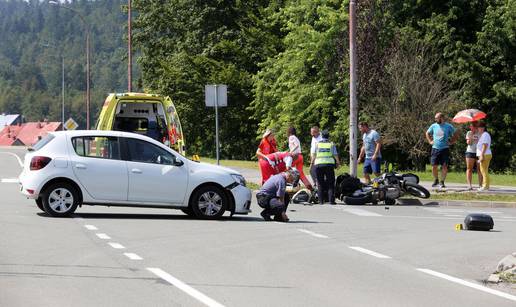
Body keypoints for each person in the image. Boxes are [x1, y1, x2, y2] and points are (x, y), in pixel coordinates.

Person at [425, 113, 459, 188]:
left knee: (444, 166)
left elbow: (456, 133)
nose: (435, 120)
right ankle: (436, 180)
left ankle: (442, 182)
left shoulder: (448, 126)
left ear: (442, 118)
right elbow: (427, 133)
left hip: (445, 149)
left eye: (437, 118)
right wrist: (430, 141)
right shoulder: (433, 126)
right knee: (434, 166)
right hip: (435, 148)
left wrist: (452, 142)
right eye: (435, 118)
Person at [311, 130, 340, 204]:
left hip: (319, 165)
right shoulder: (331, 144)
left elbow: (314, 154)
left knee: (320, 183)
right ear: (328, 136)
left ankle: (321, 201)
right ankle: (331, 201)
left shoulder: (317, 144)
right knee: (330, 183)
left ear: (321, 136)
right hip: (329, 165)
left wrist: (311, 163)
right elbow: (335, 154)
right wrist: (338, 162)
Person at [465, 122, 482, 190]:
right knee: (469, 168)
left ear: (476, 127)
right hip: (470, 152)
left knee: (479, 169)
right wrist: (471, 137)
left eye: (473, 127)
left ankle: (480, 185)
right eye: (470, 126)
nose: (471, 128)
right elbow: (469, 143)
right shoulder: (469, 133)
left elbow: (482, 143)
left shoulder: (480, 133)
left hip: (478, 152)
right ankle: (469, 185)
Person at [476, 122, 492, 191]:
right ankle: (486, 186)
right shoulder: (484, 135)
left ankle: (485, 186)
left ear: (483, 128)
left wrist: (481, 155)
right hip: (485, 154)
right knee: (484, 170)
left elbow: (485, 145)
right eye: (478, 128)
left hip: (485, 154)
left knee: (483, 171)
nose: (478, 129)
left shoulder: (485, 134)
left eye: (479, 128)